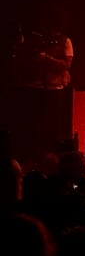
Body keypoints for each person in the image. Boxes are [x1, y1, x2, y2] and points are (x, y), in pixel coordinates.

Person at [9, 9, 74, 172]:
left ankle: (50, 163)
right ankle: (30, 162)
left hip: (54, 89)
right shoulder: (34, 40)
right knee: (32, 127)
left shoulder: (65, 41)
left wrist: (47, 59)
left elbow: (66, 65)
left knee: (51, 128)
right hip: (32, 88)